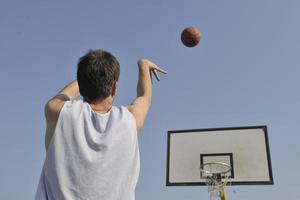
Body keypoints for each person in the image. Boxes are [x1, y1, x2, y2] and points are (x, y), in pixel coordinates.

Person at [35, 49, 167, 200]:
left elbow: (65, 95)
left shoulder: (57, 112)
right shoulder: (130, 120)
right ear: (114, 88)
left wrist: (88, 78)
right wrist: (143, 65)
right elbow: (144, 97)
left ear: (82, 85)